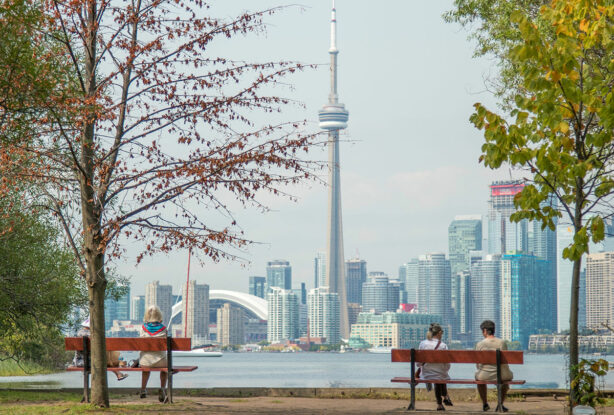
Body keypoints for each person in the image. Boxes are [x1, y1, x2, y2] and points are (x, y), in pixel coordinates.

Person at [475, 320, 513, 412]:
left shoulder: (480, 344)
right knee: (506, 379)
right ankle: (500, 404)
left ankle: (485, 404)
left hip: (485, 375)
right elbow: (505, 361)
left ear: (484, 331)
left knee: (478, 378)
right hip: (502, 374)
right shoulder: (502, 342)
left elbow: (477, 365)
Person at [418, 323, 454, 411]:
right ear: (438, 333)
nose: (442, 335)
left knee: (438, 376)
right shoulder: (443, 345)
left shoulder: (423, 344)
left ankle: (441, 402)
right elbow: (447, 364)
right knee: (440, 376)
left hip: (426, 374)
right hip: (440, 374)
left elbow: (418, 363)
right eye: (442, 333)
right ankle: (443, 398)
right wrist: (444, 371)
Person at [139, 305, 169, 403]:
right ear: (159, 315)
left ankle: (143, 389)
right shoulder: (164, 329)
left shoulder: (143, 328)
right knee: (165, 370)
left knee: (146, 367)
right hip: (161, 361)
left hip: (145, 361)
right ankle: (162, 388)